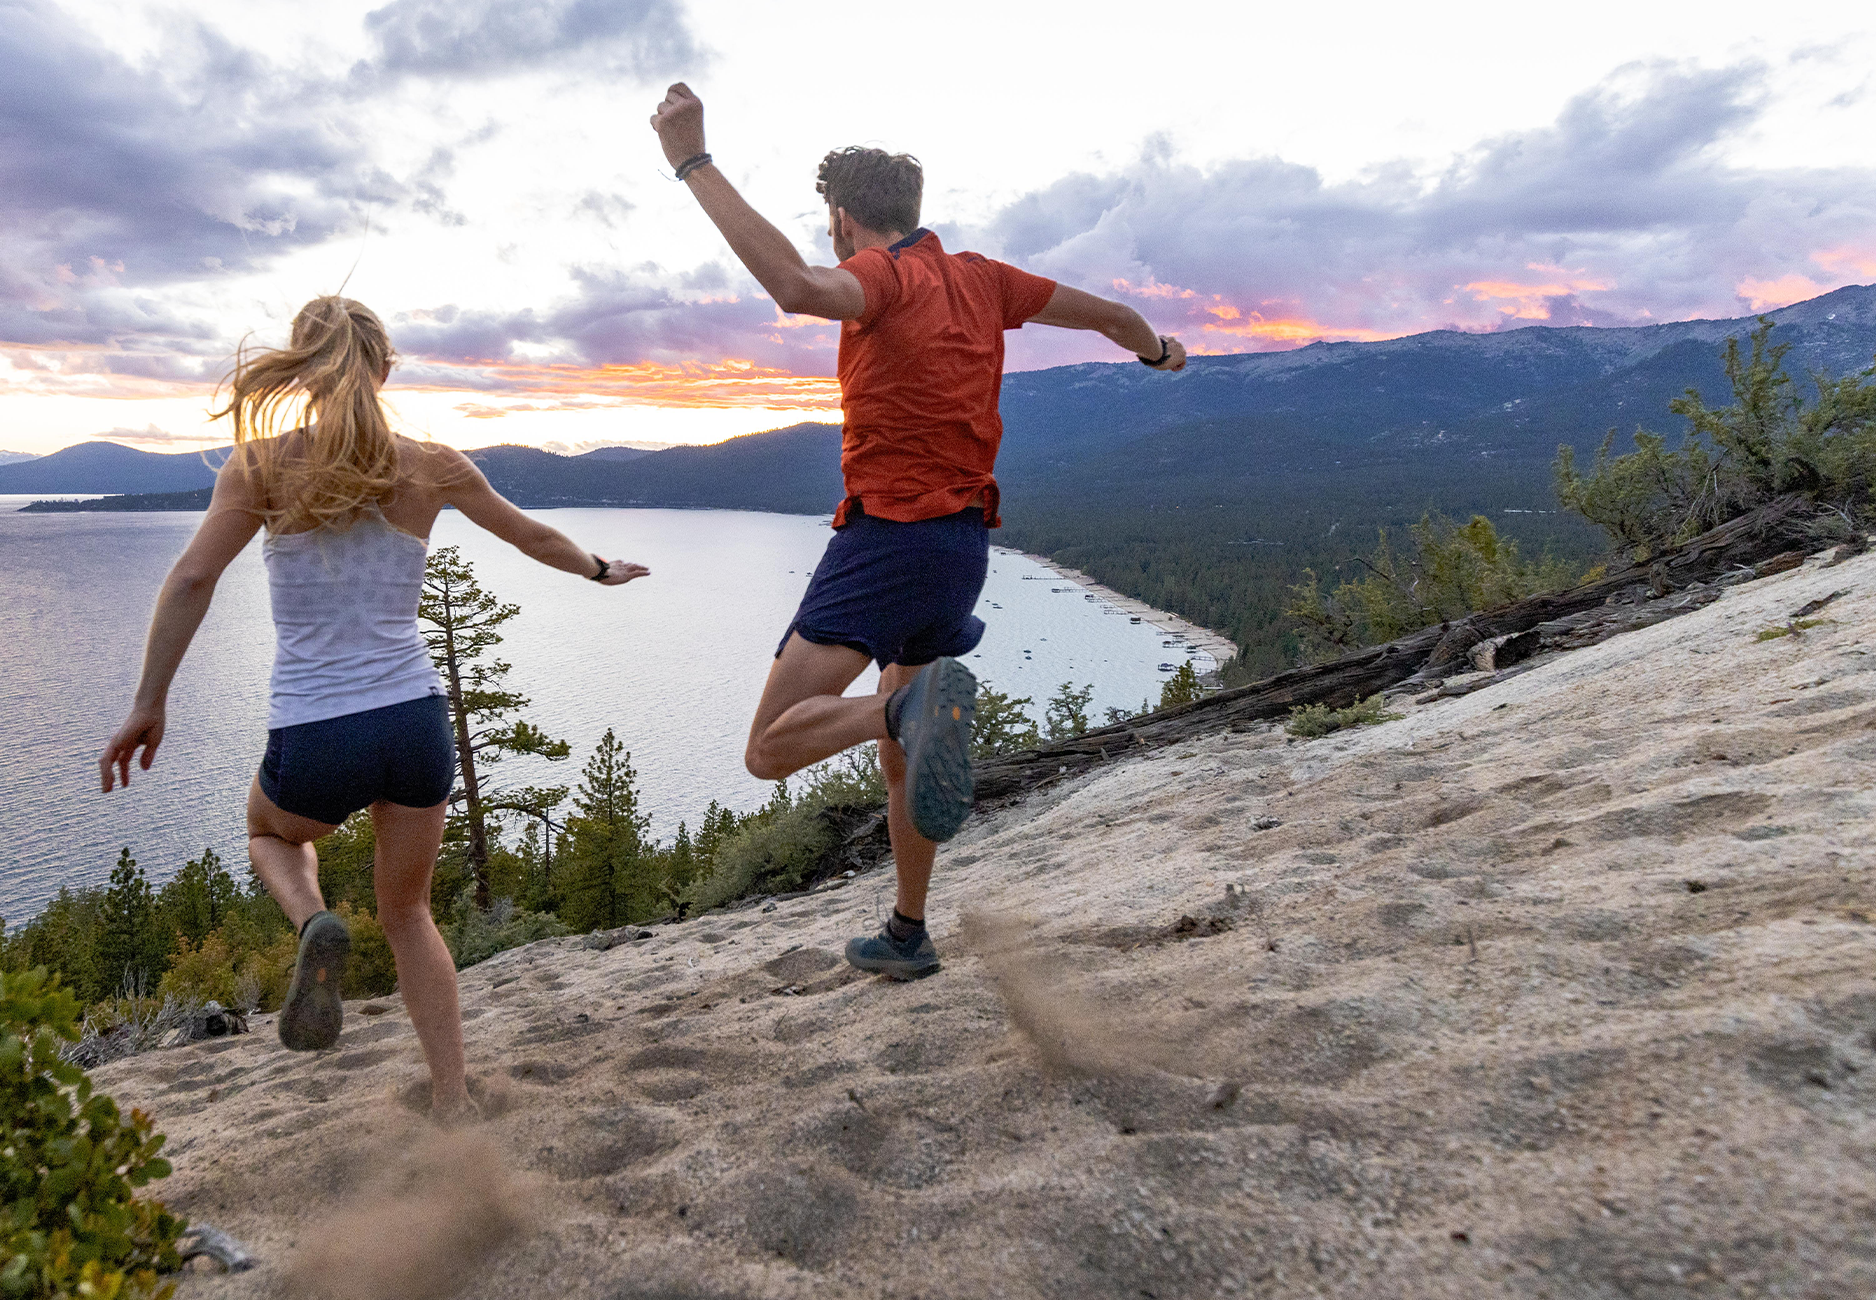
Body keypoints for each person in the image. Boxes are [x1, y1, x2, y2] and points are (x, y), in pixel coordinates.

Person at [649, 83, 1187, 980]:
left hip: (886, 543)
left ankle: (899, 712)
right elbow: (1113, 318)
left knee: (769, 746)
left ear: (843, 216)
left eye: (828, 220)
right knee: (906, 759)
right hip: (960, 548)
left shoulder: (882, 275)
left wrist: (691, 162)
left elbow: (791, 288)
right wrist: (1158, 353)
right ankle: (907, 930)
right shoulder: (986, 279)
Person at [98, 295, 648, 1119]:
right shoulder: (432, 465)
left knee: (267, 834)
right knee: (410, 912)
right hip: (413, 723)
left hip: (316, 729)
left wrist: (149, 700)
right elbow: (532, 536)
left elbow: (190, 579)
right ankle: (454, 1100)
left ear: (302, 370)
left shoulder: (259, 465)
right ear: (384, 368)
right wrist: (599, 569)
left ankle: (313, 921)